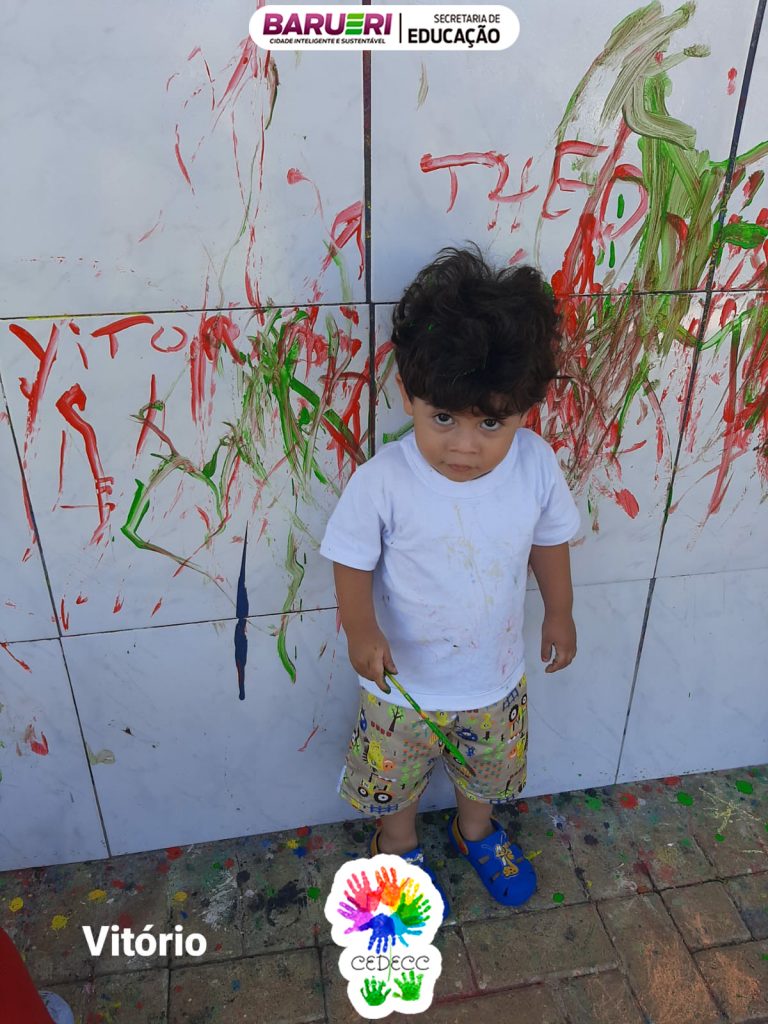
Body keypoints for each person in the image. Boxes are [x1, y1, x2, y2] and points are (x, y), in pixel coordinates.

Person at [320, 243, 580, 911]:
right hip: (399, 688)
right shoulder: (384, 480)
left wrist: (559, 612)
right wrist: (360, 631)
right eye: (443, 418)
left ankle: (477, 833)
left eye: (491, 423)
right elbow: (350, 557)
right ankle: (396, 848)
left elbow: (550, 540)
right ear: (408, 395)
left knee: (484, 773)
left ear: (525, 409)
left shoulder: (534, 464)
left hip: (493, 678)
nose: (464, 445)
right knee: (396, 784)